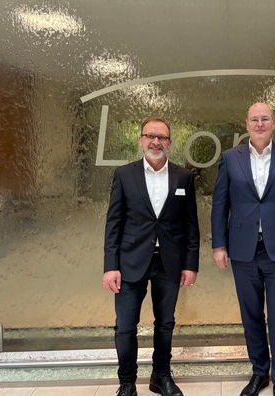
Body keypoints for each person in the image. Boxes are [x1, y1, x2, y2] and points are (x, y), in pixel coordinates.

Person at [211, 103, 275, 396]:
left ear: (273, 123)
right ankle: (260, 373)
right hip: (242, 250)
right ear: (246, 124)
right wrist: (219, 244)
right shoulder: (230, 158)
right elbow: (220, 204)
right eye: (254, 119)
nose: (259, 124)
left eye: (265, 119)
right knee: (251, 316)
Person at [102, 117, 200, 396]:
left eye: (162, 137)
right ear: (141, 140)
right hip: (130, 261)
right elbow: (114, 223)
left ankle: (161, 376)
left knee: (165, 323)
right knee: (125, 326)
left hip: (169, 262)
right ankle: (127, 383)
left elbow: (191, 225)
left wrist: (190, 264)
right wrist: (110, 266)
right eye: (150, 136)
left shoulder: (183, 177)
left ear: (169, 143)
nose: (156, 142)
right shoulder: (124, 175)